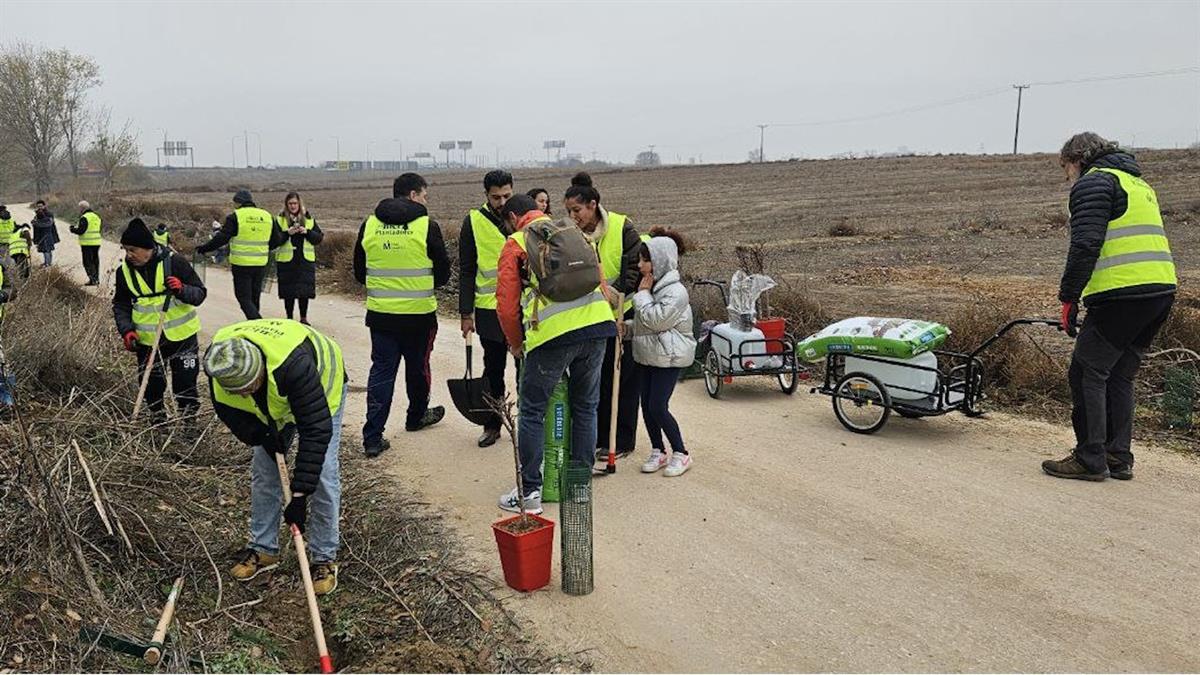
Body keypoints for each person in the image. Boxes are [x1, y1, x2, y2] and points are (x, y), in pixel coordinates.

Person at [1043, 132, 1176, 482]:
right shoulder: (1137, 183)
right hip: (1159, 292)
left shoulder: (1093, 183)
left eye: (1065, 167)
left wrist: (1068, 298)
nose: (1066, 176)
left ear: (1077, 159)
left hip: (1122, 294)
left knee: (1088, 371)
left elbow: (1086, 244)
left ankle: (1090, 457)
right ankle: (1118, 456)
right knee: (1119, 374)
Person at [203, 319, 347, 596]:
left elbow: (316, 433)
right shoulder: (219, 363)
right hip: (272, 401)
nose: (243, 393)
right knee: (264, 469)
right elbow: (230, 413)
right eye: (238, 390)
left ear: (260, 371)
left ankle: (324, 557)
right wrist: (261, 436)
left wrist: (300, 496)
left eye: (249, 386)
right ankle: (264, 548)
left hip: (322, 388)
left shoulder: (294, 367)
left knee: (324, 473)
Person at [496, 195, 616, 513]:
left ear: (513, 217)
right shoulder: (572, 230)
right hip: (597, 325)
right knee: (586, 407)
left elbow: (507, 305)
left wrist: (516, 343)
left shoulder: (516, 242)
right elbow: (600, 280)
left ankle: (530, 493)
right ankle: (578, 488)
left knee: (533, 410)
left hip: (552, 336)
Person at [353, 172, 450, 457]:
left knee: (382, 372)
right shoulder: (426, 226)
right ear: (412, 195)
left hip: (381, 316)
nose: (425, 200)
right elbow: (443, 274)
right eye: (424, 195)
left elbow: (360, 273)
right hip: (419, 316)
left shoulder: (369, 225)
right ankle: (416, 416)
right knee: (418, 368)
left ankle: (372, 437)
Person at [562, 172, 643, 464]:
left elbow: (634, 268)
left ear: (593, 205)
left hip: (622, 315)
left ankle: (622, 440)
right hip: (590, 321)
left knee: (623, 382)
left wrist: (615, 294)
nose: (573, 217)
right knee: (596, 382)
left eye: (577, 210)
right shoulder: (569, 236)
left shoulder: (623, 227)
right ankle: (596, 438)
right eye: (568, 211)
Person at [112, 218, 206, 419]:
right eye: (126, 250)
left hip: (182, 338)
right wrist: (126, 330)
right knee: (152, 383)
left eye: (133, 250)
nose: (128, 255)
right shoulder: (123, 272)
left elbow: (199, 294)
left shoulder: (175, 263)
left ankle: (188, 421)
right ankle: (157, 419)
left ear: (148, 248)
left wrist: (182, 289)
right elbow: (121, 304)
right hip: (146, 340)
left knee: (185, 382)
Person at [632, 230, 696, 477]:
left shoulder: (675, 292)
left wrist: (642, 295)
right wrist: (626, 329)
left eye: (645, 260)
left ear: (660, 260)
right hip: (650, 353)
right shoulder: (653, 287)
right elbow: (643, 325)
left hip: (668, 356)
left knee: (658, 405)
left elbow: (656, 320)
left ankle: (681, 452)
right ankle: (658, 450)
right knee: (646, 406)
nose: (640, 266)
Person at [459, 170, 514, 447]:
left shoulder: (523, 218)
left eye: (507, 195)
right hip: (489, 310)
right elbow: (467, 271)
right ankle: (492, 424)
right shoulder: (474, 222)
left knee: (528, 370)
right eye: (496, 197)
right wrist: (465, 313)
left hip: (522, 309)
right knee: (493, 369)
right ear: (486, 195)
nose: (502, 202)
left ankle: (527, 426)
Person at [196, 190, 285, 320]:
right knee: (254, 297)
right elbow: (276, 241)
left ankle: (257, 323)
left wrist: (204, 248)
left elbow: (222, 238)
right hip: (260, 263)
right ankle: (253, 326)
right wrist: (262, 248)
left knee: (243, 298)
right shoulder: (267, 216)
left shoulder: (235, 216)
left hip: (242, 264)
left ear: (238, 203)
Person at [275, 192, 324, 324]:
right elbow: (274, 240)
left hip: (304, 260)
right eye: (290, 203)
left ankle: (303, 318)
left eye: (295, 203)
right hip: (287, 261)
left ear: (299, 204)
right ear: (286, 205)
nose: (292, 206)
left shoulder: (308, 219)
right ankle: (289, 317)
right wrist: (287, 233)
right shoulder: (279, 220)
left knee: (304, 291)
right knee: (288, 292)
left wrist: (307, 232)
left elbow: (318, 238)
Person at [70, 200, 102, 285]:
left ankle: (92, 279)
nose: (79, 210)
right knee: (95, 261)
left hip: (87, 243)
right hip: (97, 242)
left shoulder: (85, 217)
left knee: (87, 262)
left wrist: (72, 229)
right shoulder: (96, 216)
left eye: (79, 208)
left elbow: (81, 231)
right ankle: (96, 278)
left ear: (82, 208)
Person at [31, 200, 58, 268]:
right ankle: (47, 262)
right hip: (41, 235)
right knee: (46, 250)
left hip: (48, 234)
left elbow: (49, 224)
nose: (40, 207)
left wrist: (36, 223)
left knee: (47, 250)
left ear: (44, 206)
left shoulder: (49, 214)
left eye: (41, 206)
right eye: (38, 206)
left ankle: (48, 264)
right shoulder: (37, 215)